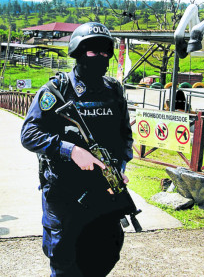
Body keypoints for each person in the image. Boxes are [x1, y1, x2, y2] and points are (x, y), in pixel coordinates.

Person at [21, 22, 134, 276]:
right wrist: (69, 150)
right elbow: (29, 134)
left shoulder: (113, 92)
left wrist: (118, 169)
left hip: (103, 191)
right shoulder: (55, 91)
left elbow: (125, 137)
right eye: (93, 52)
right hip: (65, 194)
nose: (100, 57)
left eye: (105, 52)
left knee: (104, 253)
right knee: (65, 260)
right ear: (78, 52)